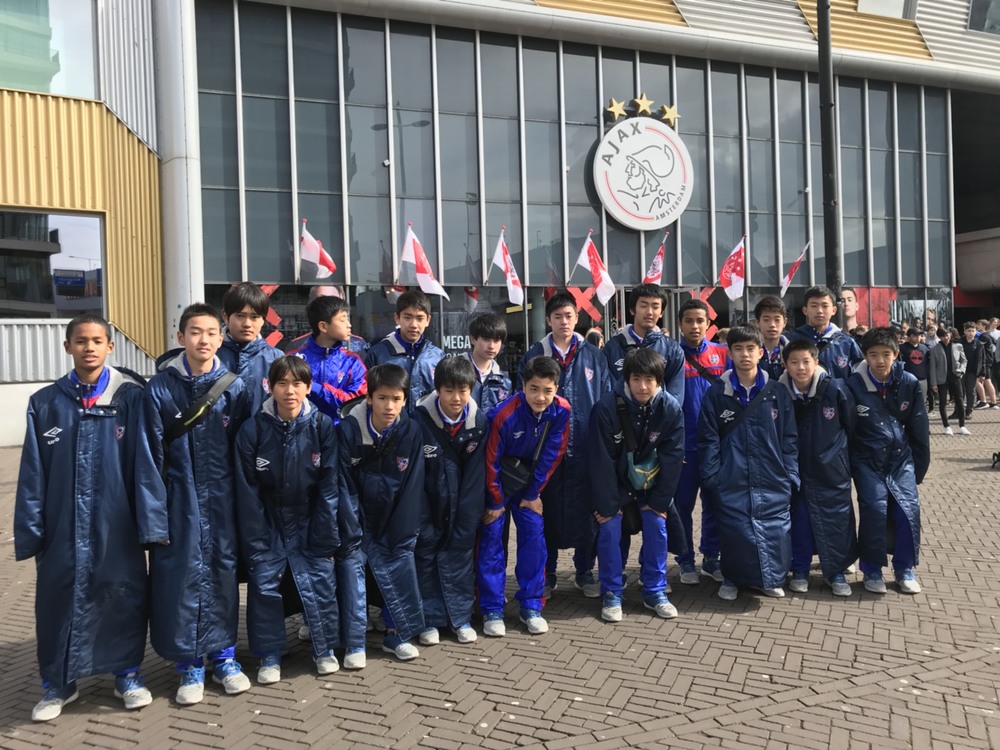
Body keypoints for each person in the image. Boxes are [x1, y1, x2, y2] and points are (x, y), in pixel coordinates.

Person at [15, 315, 163, 721]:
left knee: (122, 594)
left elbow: (146, 465)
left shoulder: (129, 398)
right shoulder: (46, 403)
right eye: (81, 341)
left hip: (117, 522)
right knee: (58, 600)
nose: (89, 347)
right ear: (68, 347)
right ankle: (58, 684)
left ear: (110, 346)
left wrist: (151, 524)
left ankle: (127, 675)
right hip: (62, 525)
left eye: (98, 340)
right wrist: (32, 531)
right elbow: (32, 473)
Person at [145, 303, 252, 705]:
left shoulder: (235, 388)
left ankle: (224, 657)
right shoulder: (159, 388)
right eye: (194, 332)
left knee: (222, 576)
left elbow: (244, 453)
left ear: (221, 339)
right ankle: (189, 665)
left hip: (223, 501)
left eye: (210, 333)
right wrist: (154, 518)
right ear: (180, 337)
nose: (203, 340)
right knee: (180, 582)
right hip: (178, 502)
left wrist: (246, 510)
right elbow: (148, 457)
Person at [234, 356, 345, 683]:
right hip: (268, 520)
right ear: (270, 387)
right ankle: (269, 654)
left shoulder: (322, 426)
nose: (289, 391)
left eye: (297, 383)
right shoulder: (253, 429)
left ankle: (324, 649)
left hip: (310, 518)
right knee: (264, 583)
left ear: (308, 387)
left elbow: (329, 485)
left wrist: (325, 532)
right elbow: (247, 490)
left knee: (320, 579)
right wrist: (256, 537)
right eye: (281, 383)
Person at [517, 290, 611, 600]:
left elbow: (605, 398)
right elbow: (523, 401)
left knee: (587, 512)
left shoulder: (593, 355)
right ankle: (549, 572)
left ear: (576, 317)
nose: (564, 322)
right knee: (547, 514)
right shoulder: (534, 355)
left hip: (585, 447)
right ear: (548, 320)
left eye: (569, 316)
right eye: (557, 316)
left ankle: (585, 571)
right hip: (546, 451)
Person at [698, 324, 799, 601]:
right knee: (735, 528)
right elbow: (708, 438)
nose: (745, 354)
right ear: (730, 353)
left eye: (751, 349)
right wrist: (713, 476)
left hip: (772, 474)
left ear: (760, 353)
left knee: (774, 528)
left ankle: (770, 578)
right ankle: (731, 578)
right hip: (731, 474)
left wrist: (791, 474)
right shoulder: (717, 394)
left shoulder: (777, 392)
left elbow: (789, 438)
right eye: (738, 349)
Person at [587, 348, 685, 622]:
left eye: (649, 379)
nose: (642, 386)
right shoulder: (606, 408)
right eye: (636, 379)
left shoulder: (670, 408)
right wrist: (609, 505)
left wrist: (660, 501)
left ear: (659, 380)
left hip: (650, 486)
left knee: (656, 523)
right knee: (609, 526)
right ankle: (611, 591)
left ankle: (655, 590)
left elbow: (674, 457)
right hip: (616, 485)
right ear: (626, 379)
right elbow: (600, 460)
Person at [479, 356, 572, 636]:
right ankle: (492, 608)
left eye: (547, 390)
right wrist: (496, 501)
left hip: (527, 485)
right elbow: (491, 459)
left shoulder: (561, 411)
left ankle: (531, 604)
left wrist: (533, 493)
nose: (540, 397)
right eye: (534, 389)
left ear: (556, 388)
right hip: (497, 484)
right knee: (492, 540)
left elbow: (552, 454)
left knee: (534, 538)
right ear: (522, 386)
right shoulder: (503, 414)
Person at [339, 364, 426, 661]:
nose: (389, 406)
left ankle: (397, 634)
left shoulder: (411, 430)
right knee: (352, 566)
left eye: (396, 399)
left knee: (400, 558)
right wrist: (353, 526)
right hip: (356, 518)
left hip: (394, 517)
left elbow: (413, 483)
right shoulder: (348, 430)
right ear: (369, 398)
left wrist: (400, 527)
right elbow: (342, 484)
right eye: (382, 398)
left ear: (405, 400)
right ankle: (355, 642)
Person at [846, 328, 930, 594]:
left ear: (895, 353)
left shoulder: (908, 382)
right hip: (867, 460)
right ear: (865, 356)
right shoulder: (853, 385)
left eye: (886, 354)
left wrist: (919, 468)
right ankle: (871, 570)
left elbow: (919, 427)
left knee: (908, 511)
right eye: (873, 355)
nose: (880, 360)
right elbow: (847, 429)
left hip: (900, 459)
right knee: (874, 510)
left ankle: (905, 568)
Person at [413, 357, 487, 646]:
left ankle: (460, 618)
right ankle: (429, 620)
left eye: (463, 390)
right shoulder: (417, 420)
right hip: (427, 504)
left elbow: (475, 477)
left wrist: (468, 519)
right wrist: (422, 517)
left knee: (460, 557)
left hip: (462, 505)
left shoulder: (478, 423)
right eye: (449, 390)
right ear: (437, 389)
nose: (456, 398)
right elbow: (414, 477)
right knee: (426, 558)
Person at [778, 339, 857, 597]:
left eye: (806, 361)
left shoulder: (835, 389)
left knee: (837, 521)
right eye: (794, 362)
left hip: (831, 469)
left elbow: (851, 426)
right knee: (799, 520)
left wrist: (842, 460)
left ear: (816, 362)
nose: (801, 367)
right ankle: (800, 570)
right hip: (796, 469)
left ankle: (835, 572)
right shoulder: (777, 393)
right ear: (785, 365)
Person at [675, 299, 728, 585]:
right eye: (689, 321)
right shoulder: (673, 355)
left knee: (714, 504)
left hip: (715, 447)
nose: (694, 326)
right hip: (684, 447)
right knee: (682, 506)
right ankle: (685, 560)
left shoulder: (723, 353)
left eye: (700, 321)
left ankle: (711, 557)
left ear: (708, 324)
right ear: (680, 324)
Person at [287, 295, 367, 426]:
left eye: (348, 319)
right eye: (343, 320)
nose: (349, 325)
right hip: (302, 430)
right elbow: (284, 397)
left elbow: (356, 403)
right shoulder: (293, 358)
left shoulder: (353, 362)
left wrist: (316, 388)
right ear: (323, 326)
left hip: (341, 431)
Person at [603, 283, 685, 405]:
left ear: (661, 312)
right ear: (632, 310)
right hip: (621, 415)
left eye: (655, 307)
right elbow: (608, 390)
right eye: (643, 306)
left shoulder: (672, 349)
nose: (649, 312)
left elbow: (675, 394)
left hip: (659, 415)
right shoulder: (613, 347)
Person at [365, 290, 444, 413]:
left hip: (427, 423)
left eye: (420, 318)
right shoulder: (377, 354)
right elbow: (367, 395)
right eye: (407, 317)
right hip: (390, 423)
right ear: (397, 318)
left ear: (428, 320)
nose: (413, 324)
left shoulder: (437, 357)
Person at [219, 282, 284, 413]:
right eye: (240, 316)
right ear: (225, 316)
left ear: (263, 320)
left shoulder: (276, 359)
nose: (247, 324)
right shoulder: (210, 354)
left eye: (254, 317)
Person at [789, 286, 862, 380]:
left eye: (825, 306)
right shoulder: (792, 339)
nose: (819, 311)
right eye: (814, 306)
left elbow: (859, 376)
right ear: (805, 310)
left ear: (834, 310)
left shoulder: (847, 343)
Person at [465, 312, 512, 412]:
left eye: (496, 340)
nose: (491, 346)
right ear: (473, 339)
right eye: (486, 339)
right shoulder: (455, 372)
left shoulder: (504, 381)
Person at [927, 328, 969, 435]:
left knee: (959, 400)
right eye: (943, 336)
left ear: (950, 334)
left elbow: (964, 360)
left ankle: (962, 426)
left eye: (947, 335)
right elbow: (932, 367)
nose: (946, 338)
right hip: (941, 378)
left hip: (955, 376)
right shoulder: (934, 349)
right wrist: (933, 383)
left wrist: (961, 370)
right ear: (939, 337)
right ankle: (946, 426)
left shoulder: (958, 346)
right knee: (942, 402)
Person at [754, 295, 790, 380]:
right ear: (757, 322)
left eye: (777, 320)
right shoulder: (750, 352)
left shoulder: (792, 353)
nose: (772, 325)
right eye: (766, 320)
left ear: (785, 322)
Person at [899, 327, 930, 411]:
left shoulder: (925, 348)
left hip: (922, 379)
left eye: (919, 335)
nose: (918, 337)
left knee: (922, 402)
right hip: (908, 380)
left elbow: (928, 364)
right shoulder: (902, 348)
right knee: (908, 402)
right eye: (915, 335)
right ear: (908, 337)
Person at [960, 323, 984, 418]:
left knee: (970, 391)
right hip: (961, 370)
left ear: (976, 332)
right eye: (969, 331)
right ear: (965, 332)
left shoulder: (979, 344)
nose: (971, 333)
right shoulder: (959, 342)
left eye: (973, 331)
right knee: (960, 391)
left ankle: (969, 411)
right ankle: (959, 410)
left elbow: (982, 359)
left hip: (972, 371)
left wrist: (982, 373)